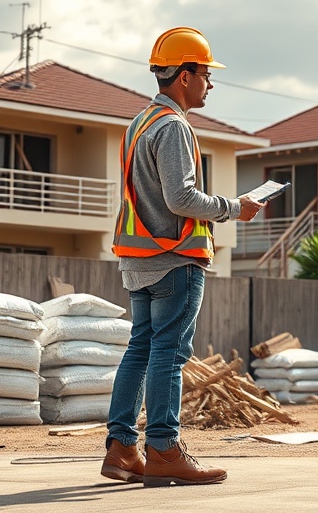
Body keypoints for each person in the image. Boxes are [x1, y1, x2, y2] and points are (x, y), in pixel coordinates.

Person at [102, 26, 264, 487]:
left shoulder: (140, 124)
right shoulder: (173, 127)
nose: (211, 83)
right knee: (168, 355)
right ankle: (164, 449)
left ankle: (121, 450)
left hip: (139, 260)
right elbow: (180, 198)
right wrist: (236, 208)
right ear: (185, 76)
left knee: (140, 350)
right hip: (174, 260)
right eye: (207, 74)